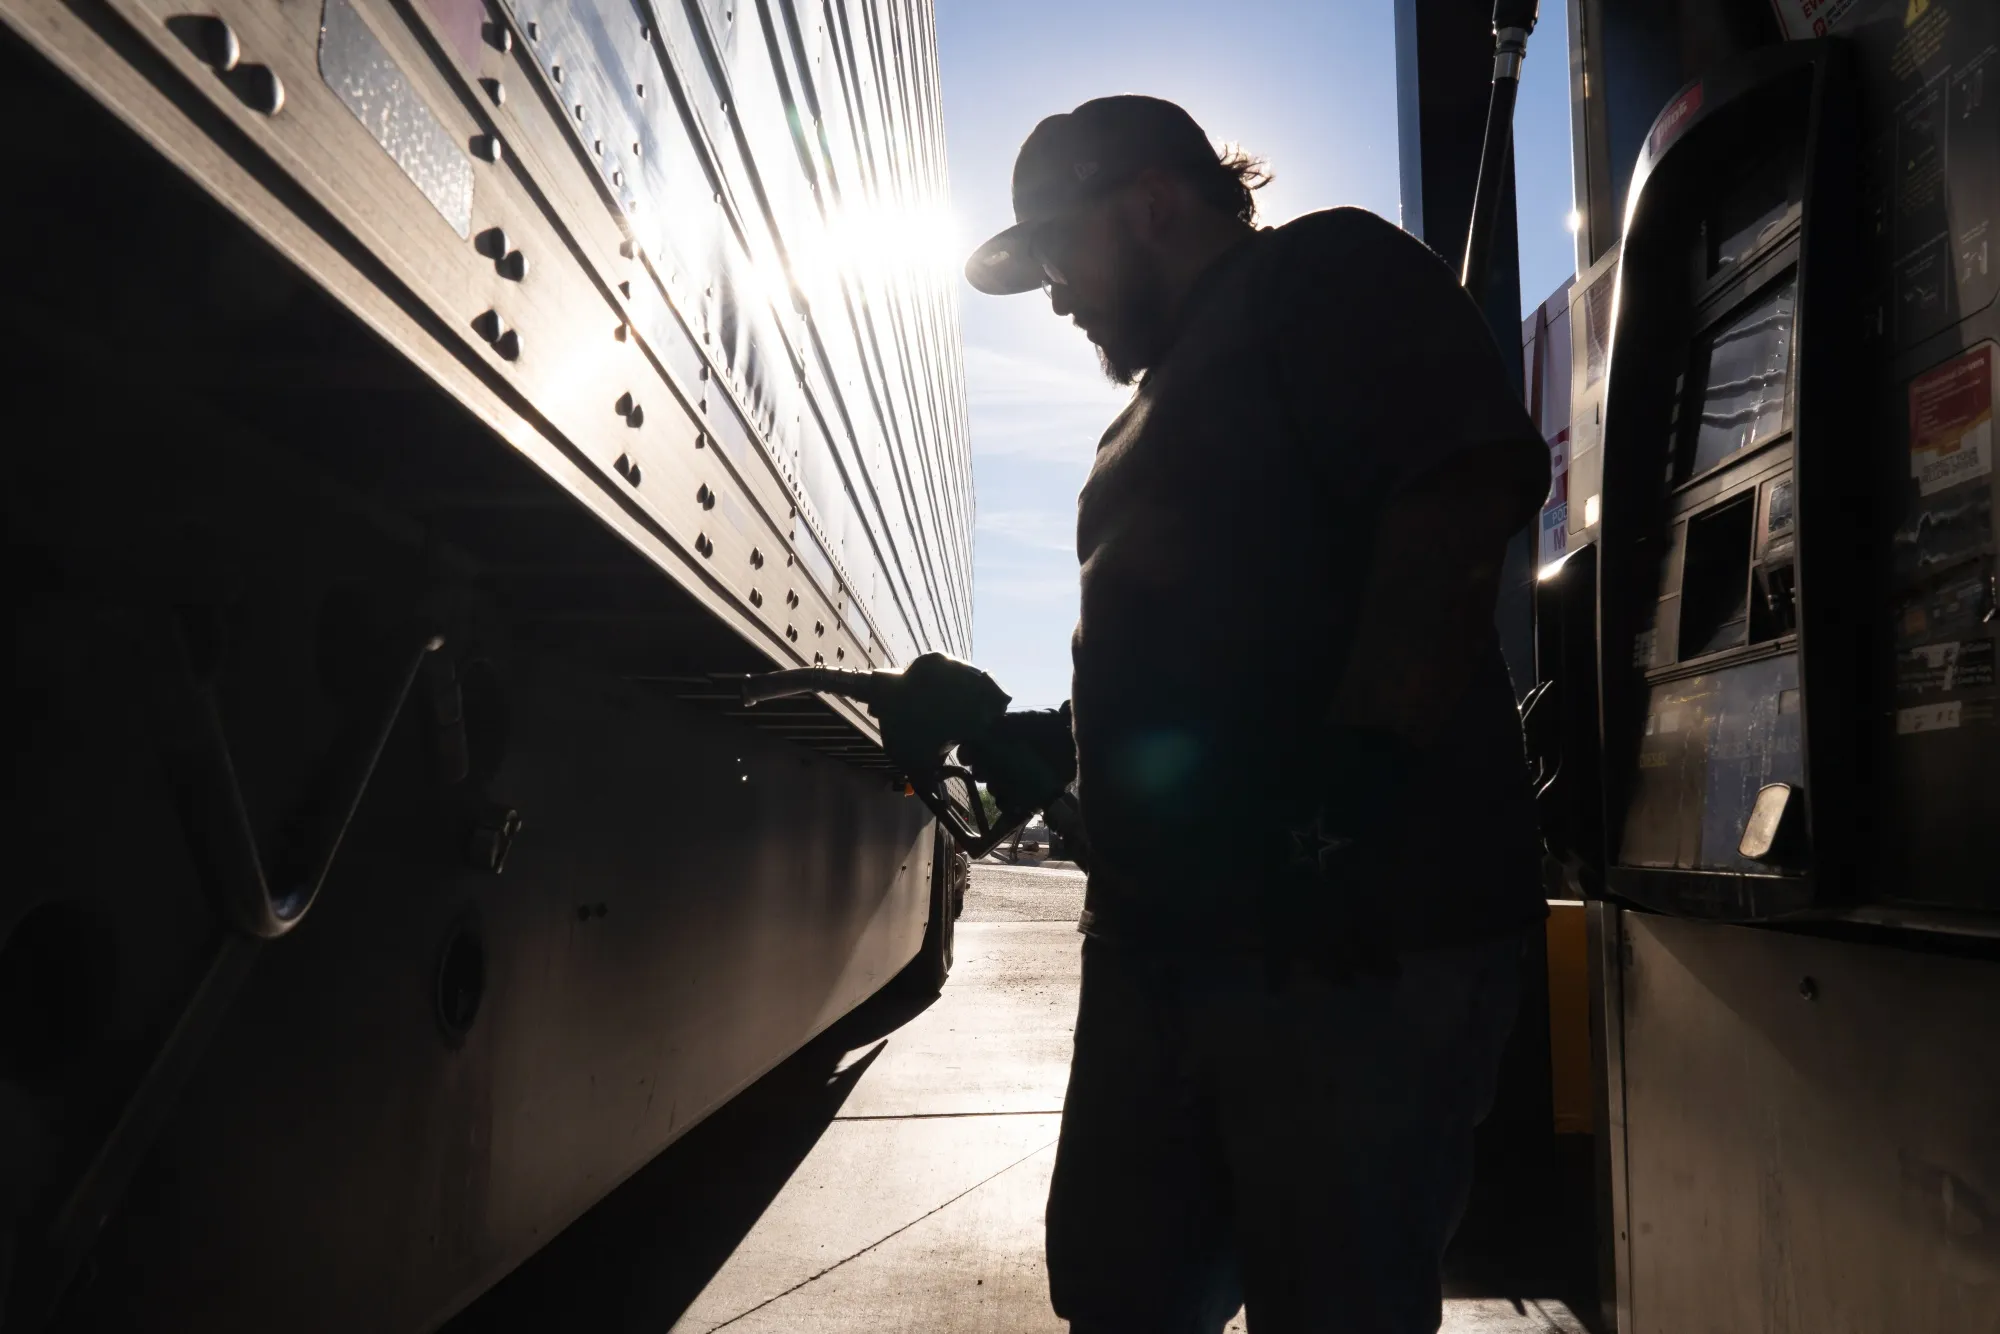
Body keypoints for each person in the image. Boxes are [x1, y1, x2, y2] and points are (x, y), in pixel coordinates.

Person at [956, 96, 1552, 1334]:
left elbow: (1453, 498)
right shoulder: (1148, 410)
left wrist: (1348, 807)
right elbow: (1198, 655)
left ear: (1153, 205)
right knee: (1119, 1289)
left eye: (1060, 256)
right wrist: (1044, 739)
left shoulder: (1322, 274)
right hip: (1168, 948)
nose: (1058, 298)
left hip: (1346, 945)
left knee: (1334, 1301)